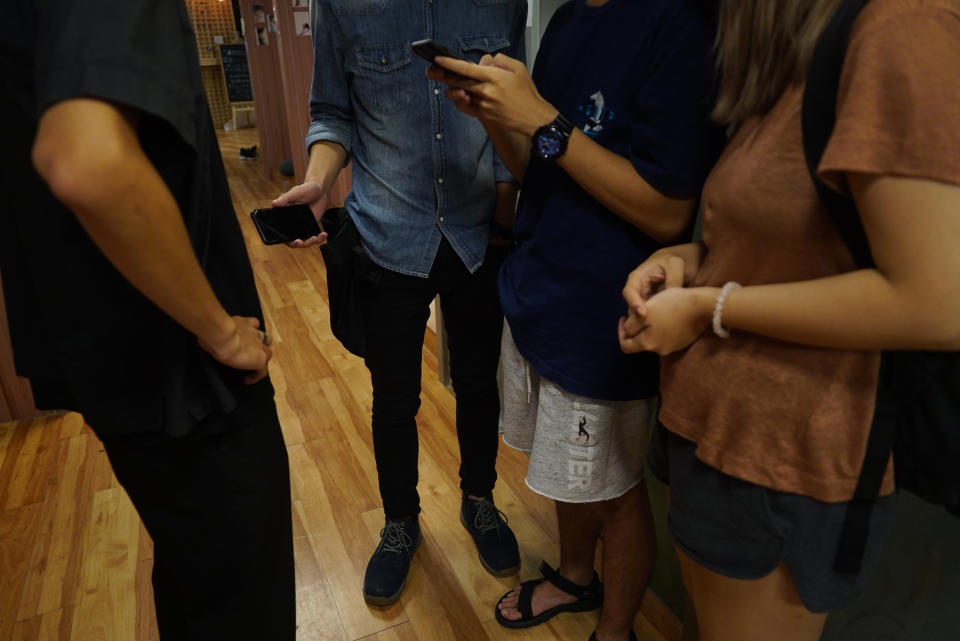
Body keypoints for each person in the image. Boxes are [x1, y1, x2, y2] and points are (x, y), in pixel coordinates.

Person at [617, 1, 960, 640]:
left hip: (783, 457)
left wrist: (707, 307)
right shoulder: (790, 59)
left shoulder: (897, 26)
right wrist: (689, 262)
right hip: (720, 433)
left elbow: (936, 301)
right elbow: (793, 241)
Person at [429, 1, 724, 639]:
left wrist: (539, 116)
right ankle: (574, 577)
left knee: (615, 490)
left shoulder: (680, 25)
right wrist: (496, 118)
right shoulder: (566, 21)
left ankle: (614, 629)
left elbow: (667, 212)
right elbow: (540, 163)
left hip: (607, 308)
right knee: (567, 467)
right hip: (539, 286)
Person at [0, 2, 295, 640]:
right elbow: (85, 161)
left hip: (119, 366)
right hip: (186, 381)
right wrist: (219, 328)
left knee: (196, 582)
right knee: (245, 604)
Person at [272, 0, 528, 606]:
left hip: (477, 231)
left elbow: (511, 109)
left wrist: (506, 203)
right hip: (388, 233)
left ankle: (479, 501)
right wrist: (318, 179)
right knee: (393, 397)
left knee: (477, 382)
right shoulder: (342, 7)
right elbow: (333, 114)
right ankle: (400, 521)